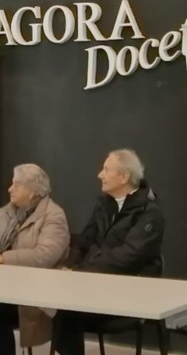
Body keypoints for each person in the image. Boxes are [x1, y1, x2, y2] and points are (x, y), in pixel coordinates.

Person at [50, 149, 164, 355]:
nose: (99, 175)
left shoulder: (150, 213)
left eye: (106, 169)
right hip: (95, 286)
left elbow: (130, 255)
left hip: (129, 290)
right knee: (64, 310)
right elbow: (83, 243)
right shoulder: (103, 206)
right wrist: (68, 267)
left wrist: (82, 273)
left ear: (124, 176)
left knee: (68, 314)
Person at [0, 164, 71, 355]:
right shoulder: (7, 211)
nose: (10, 189)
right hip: (2, 285)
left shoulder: (54, 215)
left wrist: (2, 258)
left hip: (36, 291)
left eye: (17, 185)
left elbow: (44, 256)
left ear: (33, 192)